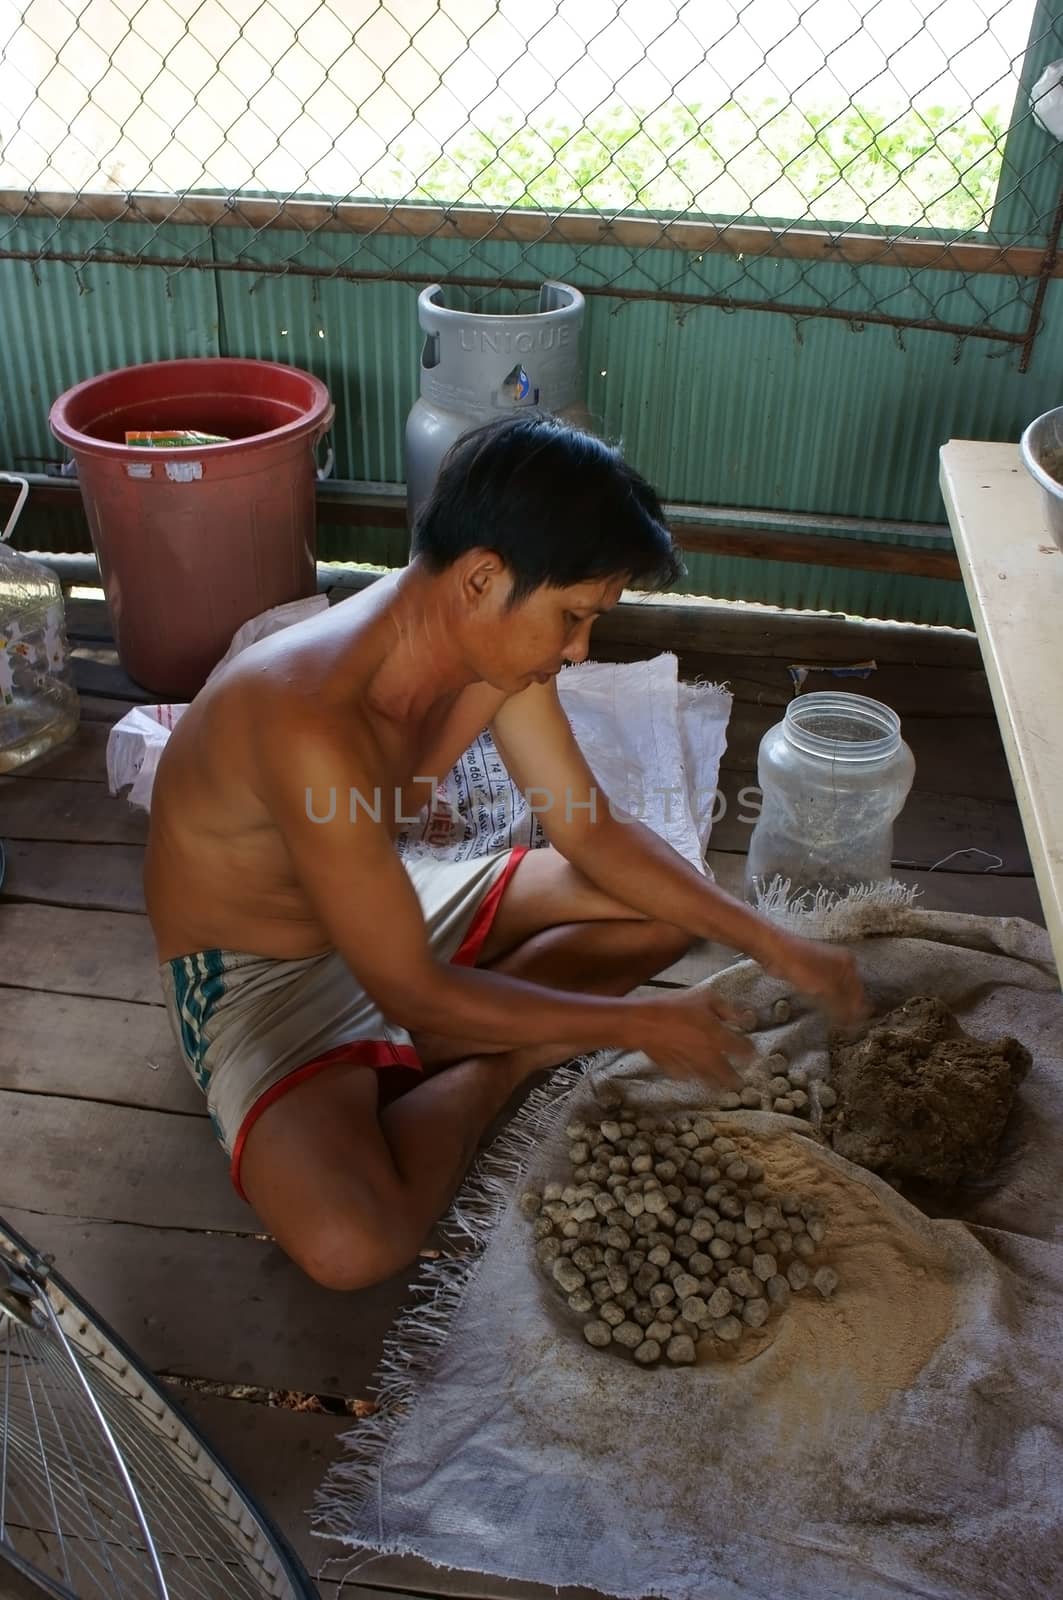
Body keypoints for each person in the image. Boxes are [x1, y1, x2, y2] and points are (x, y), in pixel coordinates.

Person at [145, 414, 864, 1291]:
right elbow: (408, 987)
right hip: (261, 970)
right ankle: (501, 1060)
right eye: (571, 617)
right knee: (353, 1246)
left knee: (661, 898)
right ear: (483, 578)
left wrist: (769, 940)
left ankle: (473, 1048)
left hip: (385, 897)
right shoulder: (308, 717)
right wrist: (630, 1023)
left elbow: (588, 829)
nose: (577, 649)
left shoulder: (487, 651)